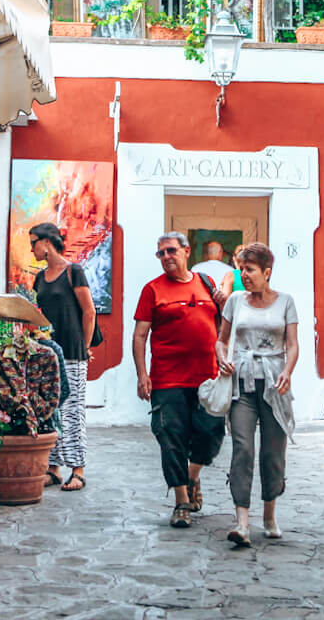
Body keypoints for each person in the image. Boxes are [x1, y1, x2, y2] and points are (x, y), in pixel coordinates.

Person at [134, 231, 231, 527]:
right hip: (167, 379)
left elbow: (222, 326)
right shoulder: (153, 290)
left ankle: (192, 477)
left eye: (171, 251)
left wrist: (224, 304)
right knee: (170, 438)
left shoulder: (206, 284)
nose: (166, 257)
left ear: (187, 251)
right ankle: (181, 503)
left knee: (210, 434)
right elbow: (140, 335)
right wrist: (142, 375)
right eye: (161, 253)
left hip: (207, 376)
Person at [215, 242, 298, 547]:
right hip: (242, 385)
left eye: (249, 270)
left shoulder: (286, 302)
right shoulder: (235, 301)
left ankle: (270, 515)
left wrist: (288, 371)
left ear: (267, 272)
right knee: (243, 448)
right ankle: (242, 523)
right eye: (241, 270)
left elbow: (293, 344)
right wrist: (222, 357)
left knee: (273, 452)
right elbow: (221, 340)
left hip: (275, 385)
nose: (244, 275)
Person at [30, 222, 96, 491]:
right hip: (47, 355)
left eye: (33, 242)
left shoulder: (74, 272)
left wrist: (85, 347)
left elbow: (89, 312)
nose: (31, 248)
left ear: (47, 243)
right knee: (51, 410)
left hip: (72, 352)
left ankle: (77, 469)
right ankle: (54, 469)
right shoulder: (39, 277)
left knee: (73, 411)